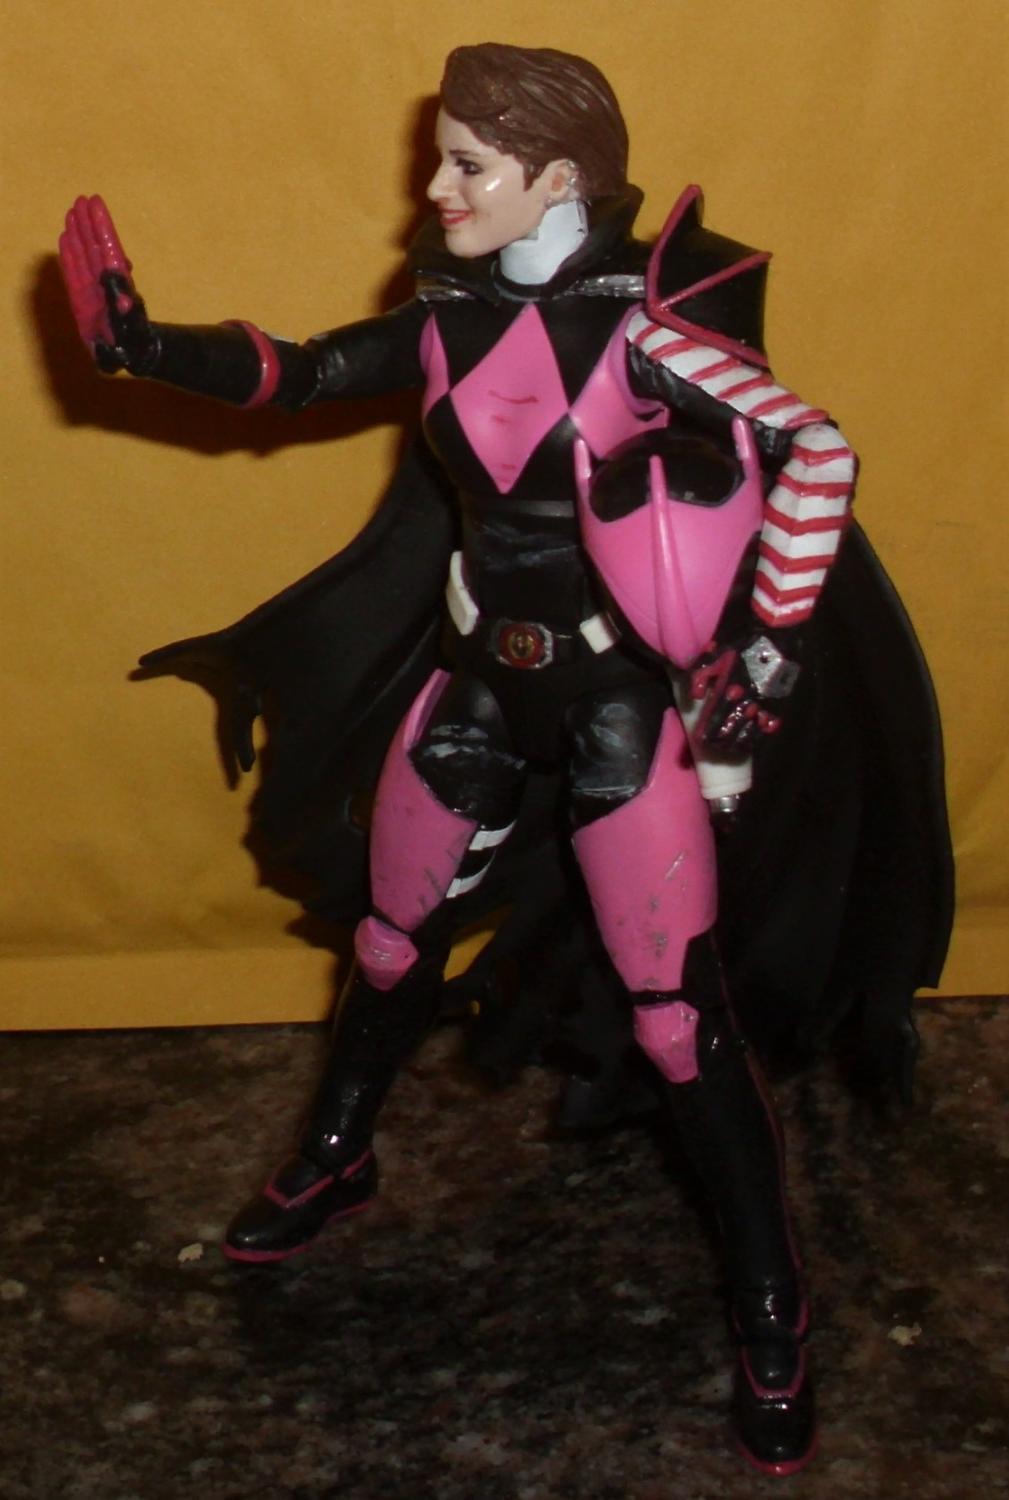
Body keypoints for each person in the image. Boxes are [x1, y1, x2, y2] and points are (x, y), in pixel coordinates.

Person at [58, 42, 945, 1476]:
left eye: (469, 162)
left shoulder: (652, 330)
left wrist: (767, 651)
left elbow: (817, 455)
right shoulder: (447, 314)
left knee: (677, 1019)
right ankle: (338, 1154)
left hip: (614, 705)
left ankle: (772, 1302)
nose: (436, 186)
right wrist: (147, 346)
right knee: (391, 942)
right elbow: (299, 373)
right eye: (443, 156)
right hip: (476, 682)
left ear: (557, 175)